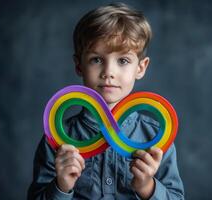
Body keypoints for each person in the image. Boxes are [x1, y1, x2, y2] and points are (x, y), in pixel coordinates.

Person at [27, 3, 184, 200]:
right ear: (79, 65)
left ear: (141, 68)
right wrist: (61, 186)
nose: (108, 72)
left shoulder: (157, 136)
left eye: (123, 61)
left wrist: (147, 187)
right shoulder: (58, 139)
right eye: (97, 60)